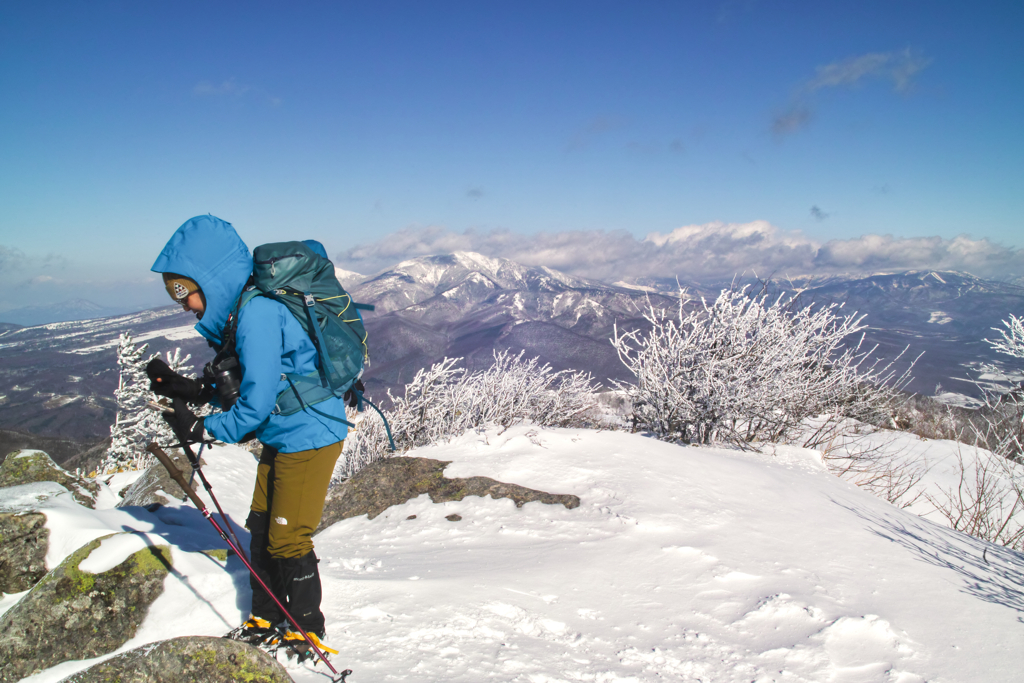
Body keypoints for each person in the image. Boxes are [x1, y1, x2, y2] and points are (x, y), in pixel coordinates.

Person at [147, 214, 349, 654]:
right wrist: (190, 390)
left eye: (184, 293)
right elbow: (249, 383)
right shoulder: (241, 312)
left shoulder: (257, 313)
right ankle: (266, 616)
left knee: (288, 536)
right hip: (285, 431)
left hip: (310, 433)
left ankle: (305, 629)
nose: (185, 306)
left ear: (210, 279)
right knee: (261, 526)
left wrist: (201, 427)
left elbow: (253, 408)